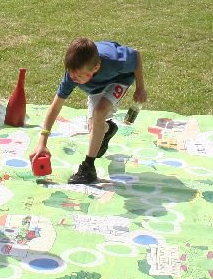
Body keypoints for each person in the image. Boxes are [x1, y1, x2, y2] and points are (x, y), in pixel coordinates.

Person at [29, 38, 147, 185]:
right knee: (94, 126)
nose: (73, 79)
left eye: (79, 75)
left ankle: (88, 168)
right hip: (96, 88)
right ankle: (108, 129)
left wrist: (140, 88)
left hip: (119, 80)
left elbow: (136, 55)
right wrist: (42, 142)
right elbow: (55, 107)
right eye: (71, 74)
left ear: (96, 68)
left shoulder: (114, 59)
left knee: (99, 113)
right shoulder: (73, 75)